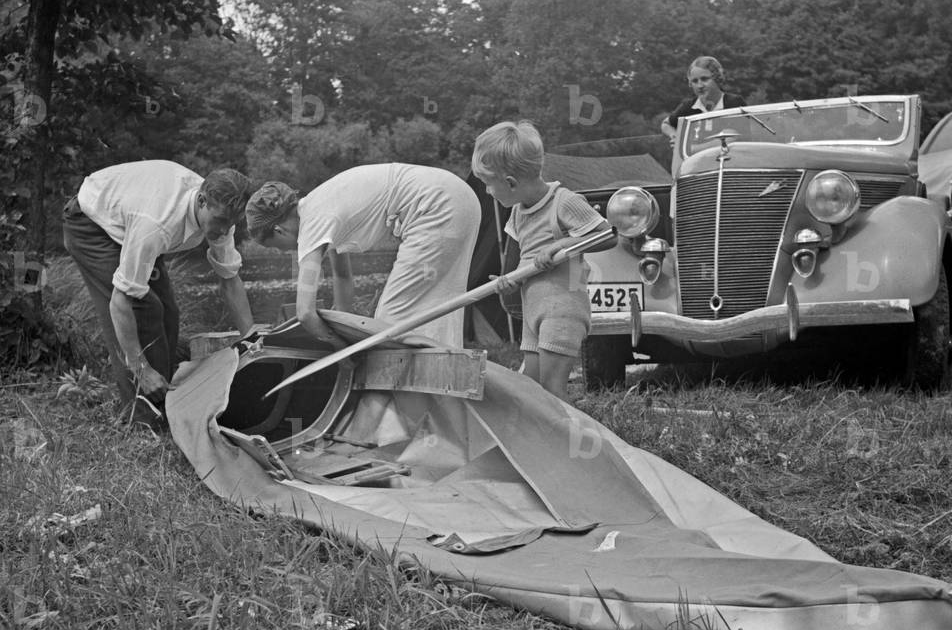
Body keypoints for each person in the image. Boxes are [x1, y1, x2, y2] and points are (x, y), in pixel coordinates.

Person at [62, 160, 256, 411]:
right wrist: (142, 370)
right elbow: (121, 303)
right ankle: (143, 419)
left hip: (131, 219)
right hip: (91, 225)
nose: (223, 230)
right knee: (143, 309)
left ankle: (167, 397)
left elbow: (229, 279)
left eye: (231, 223)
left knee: (168, 312)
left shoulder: (223, 215)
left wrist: (252, 340)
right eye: (219, 221)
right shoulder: (157, 223)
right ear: (202, 201)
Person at [245, 164, 481, 350]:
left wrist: (338, 348)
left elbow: (304, 313)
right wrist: (346, 331)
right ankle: (445, 387)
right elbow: (342, 276)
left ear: (279, 230)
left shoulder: (312, 224)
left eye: (278, 248)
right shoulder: (319, 206)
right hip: (459, 196)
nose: (286, 251)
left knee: (391, 322)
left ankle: (404, 400)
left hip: (436, 206)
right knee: (438, 308)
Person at [471, 121, 616, 402]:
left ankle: (573, 440)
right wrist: (510, 282)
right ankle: (541, 440)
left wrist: (564, 243)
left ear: (511, 183)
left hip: (563, 309)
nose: (488, 192)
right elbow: (521, 265)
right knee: (532, 390)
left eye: (489, 184)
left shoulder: (564, 202)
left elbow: (609, 236)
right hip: (533, 313)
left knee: (552, 392)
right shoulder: (518, 214)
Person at [660, 55, 746, 140]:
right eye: (694, 81)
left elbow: (732, 139)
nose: (699, 85)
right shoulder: (688, 107)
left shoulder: (734, 103)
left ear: (717, 78)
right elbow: (666, 124)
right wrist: (675, 137)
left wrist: (692, 148)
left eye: (704, 79)